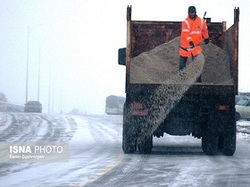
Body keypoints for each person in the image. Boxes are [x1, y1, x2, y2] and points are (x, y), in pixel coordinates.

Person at [179, 6, 210, 72]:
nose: (191, 14)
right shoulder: (185, 22)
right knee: (182, 65)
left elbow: (204, 30)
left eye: (193, 12)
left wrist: (206, 38)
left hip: (196, 46)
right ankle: (181, 80)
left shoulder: (201, 21)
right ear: (188, 13)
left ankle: (198, 81)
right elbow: (185, 33)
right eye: (190, 13)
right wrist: (190, 41)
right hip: (185, 47)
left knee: (197, 64)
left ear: (195, 12)